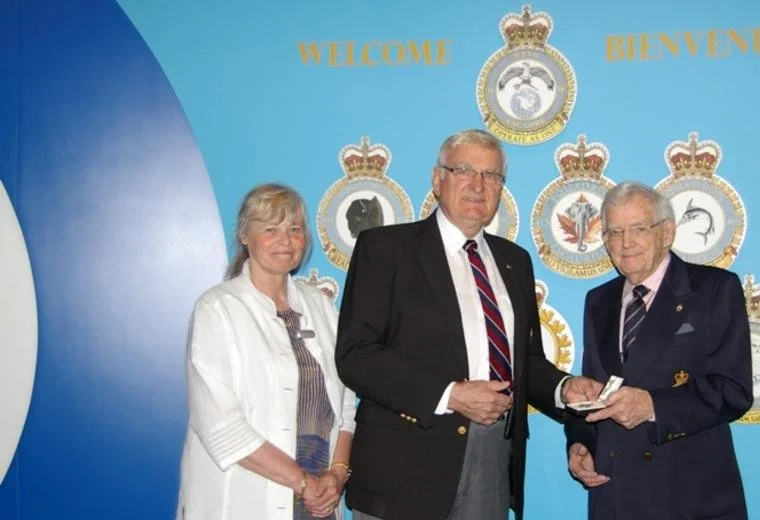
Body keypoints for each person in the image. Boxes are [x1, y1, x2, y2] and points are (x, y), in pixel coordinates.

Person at [335, 129, 603, 520]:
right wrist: (450, 395)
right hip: (404, 467)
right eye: (464, 170)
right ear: (437, 179)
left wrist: (564, 388)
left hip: (491, 459)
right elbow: (356, 355)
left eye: (491, 175)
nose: (478, 185)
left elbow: (524, 363)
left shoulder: (515, 262)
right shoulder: (385, 249)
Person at [565, 181, 753, 520]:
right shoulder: (598, 300)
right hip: (615, 495)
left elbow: (734, 390)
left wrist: (653, 406)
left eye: (638, 228)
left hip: (688, 495)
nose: (625, 243)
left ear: (667, 232)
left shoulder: (714, 290)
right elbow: (595, 390)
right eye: (614, 232)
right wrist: (582, 443)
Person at [177, 183, 356, 520]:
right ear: (245, 235)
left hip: (318, 503)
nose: (285, 240)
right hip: (244, 499)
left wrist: (337, 474)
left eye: (295, 229)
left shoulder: (321, 306)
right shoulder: (217, 309)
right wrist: (302, 482)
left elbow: (345, 405)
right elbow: (219, 425)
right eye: (271, 229)